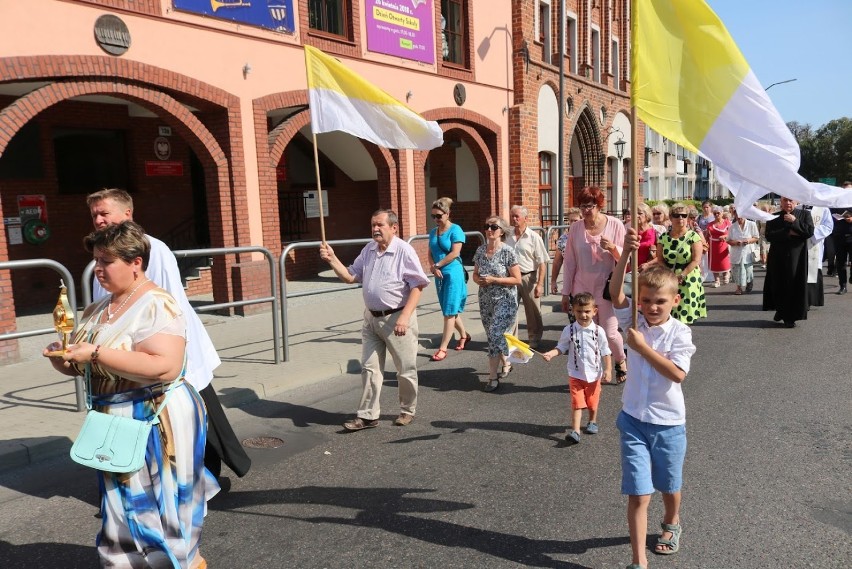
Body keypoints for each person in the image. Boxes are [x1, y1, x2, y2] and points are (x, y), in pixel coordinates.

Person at [45, 222, 217, 568]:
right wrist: (64, 360)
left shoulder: (157, 304)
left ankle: (181, 563)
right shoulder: (99, 308)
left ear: (136, 262)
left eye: (107, 261)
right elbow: (85, 366)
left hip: (156, 415)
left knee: (161, 504)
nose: (98, 269)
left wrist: (94, 354)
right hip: (115, 419)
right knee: (121, 503)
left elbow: (165, 365)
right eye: (96, 260)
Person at [86, 189, 251, 484]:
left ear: (127, 214)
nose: (98, 220)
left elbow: (169, 303)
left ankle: (205, 477)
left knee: (193, 417)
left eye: (104, 213)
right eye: (94, 214)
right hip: (131, 359)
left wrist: (170, 353)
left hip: (166, 349)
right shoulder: (102, 255)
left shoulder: (152, 250)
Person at [609, 228, 697, 569]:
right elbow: (615, 294)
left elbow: (677, 374)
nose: (651, 307)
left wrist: (642, 349)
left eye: (659, 301)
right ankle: (638, 561)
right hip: (632, 420)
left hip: (668, 424)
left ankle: (672, 522)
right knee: (638, 493)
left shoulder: (680, 332)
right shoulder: (633, 321)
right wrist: (626, 256)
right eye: (646, 300)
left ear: (675, 301)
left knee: (669, 485)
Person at [320, 209, 429, 430]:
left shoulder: (404, 251)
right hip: (371, 318)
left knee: (405, 369)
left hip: (397, 317)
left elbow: (418, 285)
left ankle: (407, 410)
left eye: (380, 225)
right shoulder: (369, 249)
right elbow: (351, 276)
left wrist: (405, 317)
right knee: (369, 368)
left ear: (394, 227)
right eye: (373, 225)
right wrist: (332, 259)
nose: (375, 229)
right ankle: (368, 415)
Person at [561, 187, 628, 382]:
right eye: (582, 206)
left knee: (610, 332)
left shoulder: (615, 225)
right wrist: (566, 293)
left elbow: (627, 259)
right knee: (586, 332)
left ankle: (620, 360)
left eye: (590, 206)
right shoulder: (575, 228)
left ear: (599, 206)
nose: (586, 210)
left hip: (607, 287)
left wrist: (614, 248)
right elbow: (570, 261)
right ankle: (595, 369)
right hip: (582, 286)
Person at [541, 292, 612, 445]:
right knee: (577, 402)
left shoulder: (599, 331)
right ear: (573, 311)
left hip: (594, 374)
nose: (583, 315)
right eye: (579, 311)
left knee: (593, 402)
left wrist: (608, 370)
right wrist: (551, 354)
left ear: (594, 311)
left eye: (587, 311)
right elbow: (562, 346)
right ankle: (575, 431)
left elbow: (605, 350)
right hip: (575, 373)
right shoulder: (569, 330)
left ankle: (592, 421)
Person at [473, 216, 521, 392]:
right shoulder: (480, 251)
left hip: (505, 300)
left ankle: (492, 378)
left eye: (494, 226)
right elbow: (475, 274)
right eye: (487, 226)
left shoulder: (508, 251)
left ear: (502, 231)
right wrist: (479, 280)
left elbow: (517, 279)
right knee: (493, 336)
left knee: (495, 333)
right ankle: (507, 363)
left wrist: (494, 279)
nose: (490, 229)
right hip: (486, 301)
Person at [649, 203, 707, 324]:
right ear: (670, 218)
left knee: (684, 316)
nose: (680, 218)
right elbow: (660, 260)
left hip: (688, 278)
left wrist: (682, 275)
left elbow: (696, 260)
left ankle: (682, 341)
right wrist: (671, 275)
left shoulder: (693, 236)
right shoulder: (663, 237)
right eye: (676, 215)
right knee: (667, 314)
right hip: (668, 277)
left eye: (683, 215)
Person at [427, 197, 470, 361]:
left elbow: (455, 253)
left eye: (439, 216)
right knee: (448, 308)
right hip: (438, 273)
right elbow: (430, 253)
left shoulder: (456, 230)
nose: (436, 219)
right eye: (433, 216)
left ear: (447, 213)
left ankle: (443, 348)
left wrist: (437, 265)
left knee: (449, 311)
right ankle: (464, 335)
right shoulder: (433, 232)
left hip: (453, 273)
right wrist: (433, 267)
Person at [763, 197, 814, 327]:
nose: (788, 203)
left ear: (796, 202)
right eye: (785, 200)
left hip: (797, 257)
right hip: (778, 256)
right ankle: (781, 310)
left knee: (793, 283)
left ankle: (790, 316)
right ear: (781, 202)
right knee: (778, 283)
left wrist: (795, 222)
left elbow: (809, 232)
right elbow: (769, 235)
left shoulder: (804, 214)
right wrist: (789, 232)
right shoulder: (773, 217)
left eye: (791, 200)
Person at [506, 205, 549, 349]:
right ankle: (512, 340)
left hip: (528, 276)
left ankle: (534, 338)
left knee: (532, 310)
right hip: (510, 277)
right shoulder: (507, 235)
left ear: (526, 218)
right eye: (512, 216)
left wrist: (540, 284)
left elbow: (542, 262)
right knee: (510, 309)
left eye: (517, 216)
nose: (514, 219)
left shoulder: (534, 237)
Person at [803, 204, 833, 306]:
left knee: (813, 269)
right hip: (799, 244)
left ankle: (811, 300)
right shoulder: (797, 207)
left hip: (814, 243)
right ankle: (801, 299)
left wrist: (811, 232)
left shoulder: (823, 208)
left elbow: (828, 226)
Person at [550, 207, 582, 295]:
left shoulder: (587, 237)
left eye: (576, 220)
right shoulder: (563, 239)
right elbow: (557, 262)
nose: (573, 223)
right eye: (571, 221)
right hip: (570, 281)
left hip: (586, 281)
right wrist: (553, 281)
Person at [727, 213, 760, 295]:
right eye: (737, 216)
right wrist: (735, 242)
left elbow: (756, 237)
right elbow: (728, 240)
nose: (739, 217)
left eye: (741, 215)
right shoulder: (732, 226)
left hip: (748, 252)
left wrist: (748, 241)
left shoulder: (751, 224)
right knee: (737, 271)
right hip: (736, 252)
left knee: (748, 271)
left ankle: (749, 281)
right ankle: (738, 288)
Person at [829, 192, 852, 295]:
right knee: (840, 262)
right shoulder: (836, 203)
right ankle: (843, 286)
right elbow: (829, 216)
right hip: (839, 236)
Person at [706, 205, 731, 287]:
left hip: (724, 245)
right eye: (715, 213)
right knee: (714, 263)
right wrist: (704, 244)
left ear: (722, 213)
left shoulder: (727, 222)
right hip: (713, 246)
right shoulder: (710, 224)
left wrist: (725, 236)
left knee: (724, 261)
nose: (716, 215)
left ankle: (726, 275)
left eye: (718, 213)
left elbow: (732, 234)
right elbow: (707, 235)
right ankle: (717, 280)